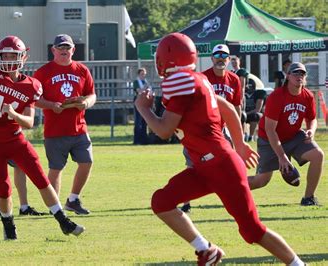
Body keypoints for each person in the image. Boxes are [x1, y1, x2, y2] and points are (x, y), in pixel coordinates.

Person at [135, 32, 305, 266]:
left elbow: (164, 130)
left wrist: (143, 108)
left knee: (252, 231)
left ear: (167, 59)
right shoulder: (196, 79)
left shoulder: (185, 83)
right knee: (161, 201)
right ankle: (207, 250)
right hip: (204, 165)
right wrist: (240, 144)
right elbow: (225, 106)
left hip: (221, 165)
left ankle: (298, 264)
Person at [0, 35, 84, 240]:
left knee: (41, 179)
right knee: (3, 188)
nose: (9, 59)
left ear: (23, 57)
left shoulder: (32, 85)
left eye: (13, 55)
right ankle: (8, 225)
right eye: (5, 55)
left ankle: (63, 220)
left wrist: (14, 114)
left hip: (15, 138)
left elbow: (28, 122)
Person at [34, 34, 96, 215]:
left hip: (79, 127)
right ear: (53, 50)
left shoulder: (82, 70)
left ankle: (73, 199)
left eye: (67, 48)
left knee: (86, 162)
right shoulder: (43, 72)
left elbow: (92, 94)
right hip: (55, 130)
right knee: (56, 168)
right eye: (60, 48)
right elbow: (34, 98)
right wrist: (51, 105)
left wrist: (86, 103)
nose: (64, 51)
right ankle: (55, 208)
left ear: (73, 50)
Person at [0, 44, 44, 217]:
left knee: (20, 167)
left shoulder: (8, 77)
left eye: (9, 56)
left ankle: (23, 205)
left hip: (11, 130)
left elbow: (27, 98)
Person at [248, 62, 324, 206]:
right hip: (269, 139)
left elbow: (312, 118)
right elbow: (270, 130)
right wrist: (282, 157)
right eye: (295, 73)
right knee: (261, 180)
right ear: (288, 76)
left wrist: (311, 131)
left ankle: (309, 198)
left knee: (318, 155)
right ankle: (228, 188)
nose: (299, 76)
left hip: (294, 136)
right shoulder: (277, 96)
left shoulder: (307, 96)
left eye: (302, 73)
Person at [180, 44, 242, 213]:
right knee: (193, 167)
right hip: (200, 130)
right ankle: (185, 203)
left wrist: (239, 131)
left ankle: (236, 199)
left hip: (221, 130)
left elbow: (236, 107)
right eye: (217, 55)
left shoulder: (234, 80)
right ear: (212, 58)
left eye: (225, 55)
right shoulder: (202, 77)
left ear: (229, 60)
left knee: (232, 165)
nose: (221, 58)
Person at [132, 67, 150, 145]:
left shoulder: (145, 82)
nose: (143, 76)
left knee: (144, 121)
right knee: (138, 121)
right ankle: (137, 140)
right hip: (138, 101)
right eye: (142, 74)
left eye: (144, 74)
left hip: (145, 102)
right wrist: (145, 88)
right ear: (139, 74)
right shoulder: (136, 82)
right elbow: (139, 91)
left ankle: (144, 139)